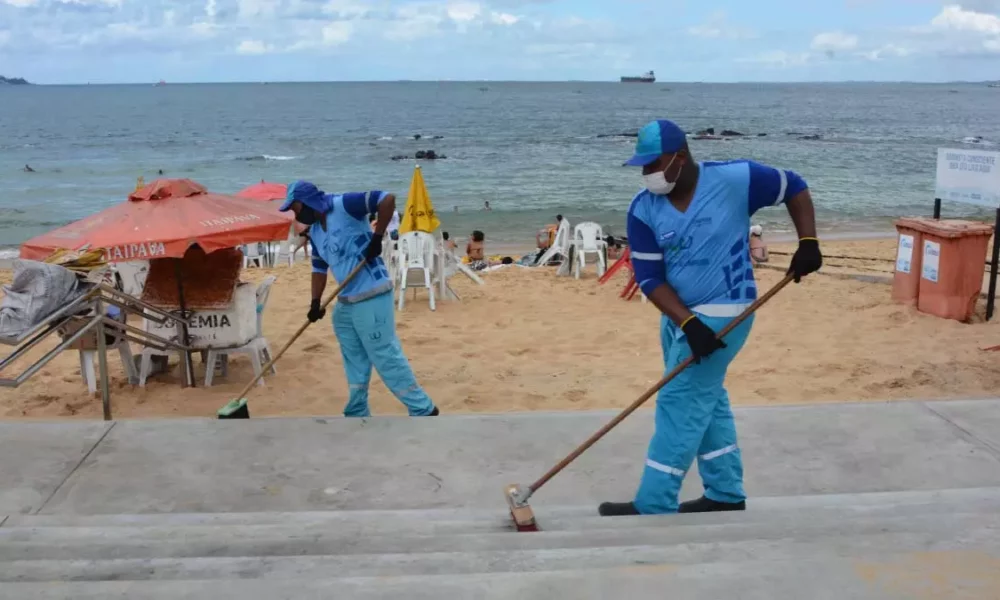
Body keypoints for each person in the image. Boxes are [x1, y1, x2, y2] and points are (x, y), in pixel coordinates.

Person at [599, 119, 822, 517]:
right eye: (643, 167)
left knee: (678, 401)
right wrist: (686, 323)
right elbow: (650, 279)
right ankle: (725, 492)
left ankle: (654, 503)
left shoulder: (737, 179)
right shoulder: (643, 208)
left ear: (679, 158)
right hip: (679, 318)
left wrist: (808, 242)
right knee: (708, 398)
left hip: (728, 310)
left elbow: (795, 186)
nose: (647, 174)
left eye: (654, 165)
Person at [280, 180, 439, 418]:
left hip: (373, 291)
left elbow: (387, 199)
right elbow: (319, 268)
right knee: (353, 356)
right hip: (346, 300)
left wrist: (377, 237)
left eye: (295, 208)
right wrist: (315, 303)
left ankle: (423, 408)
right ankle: (357, 410)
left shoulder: (343, 205)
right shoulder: (315, 232)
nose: (295, 214)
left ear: (308, 202)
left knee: (383, 353)